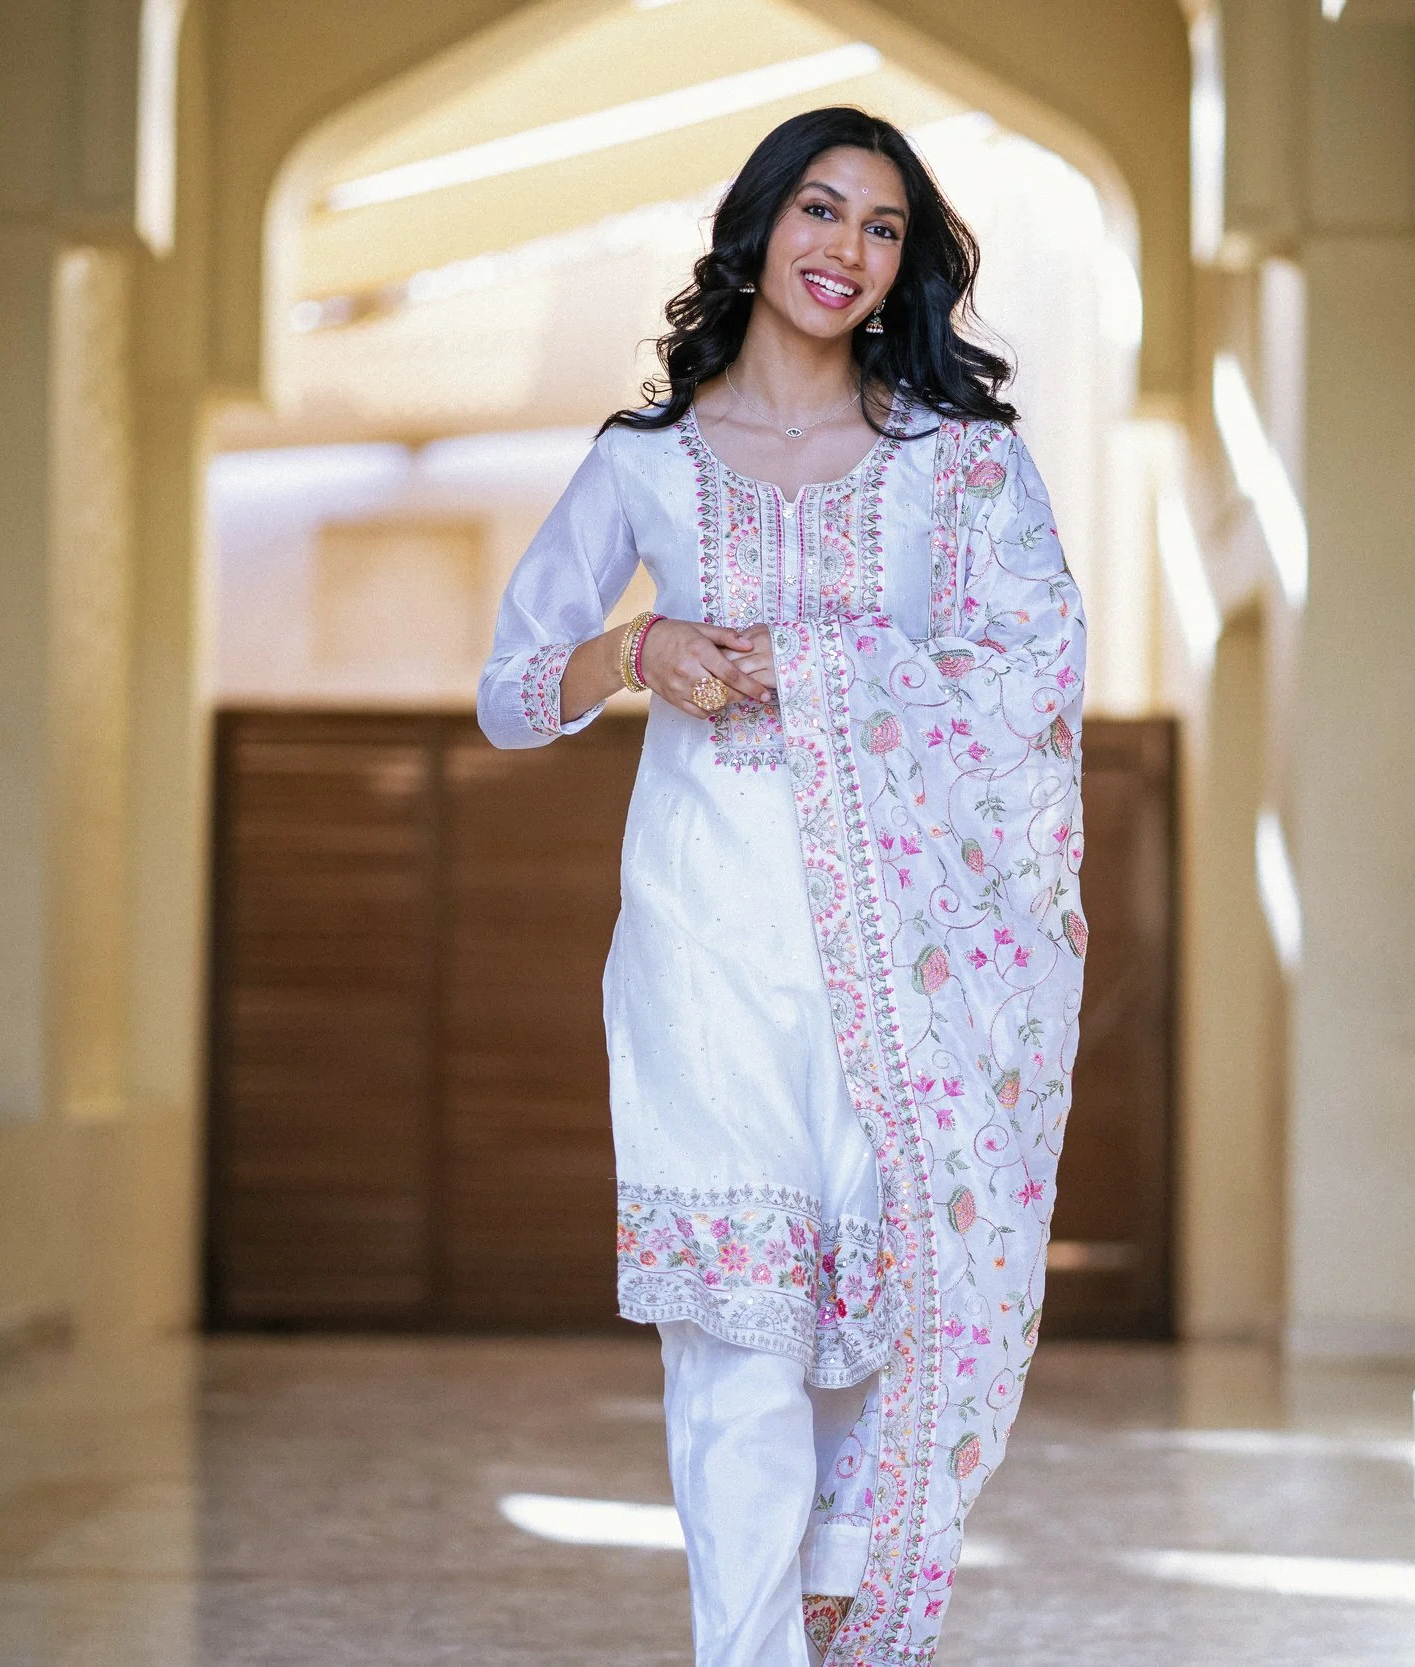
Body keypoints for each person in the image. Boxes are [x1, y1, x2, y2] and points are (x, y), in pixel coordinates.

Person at [477, 105, 1087, 1667]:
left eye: (883, 232)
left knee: (910, 1286)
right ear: (760, 228)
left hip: (909, 956)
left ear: (904, 273)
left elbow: (1030, 676)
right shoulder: (646, 465)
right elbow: (508, 689)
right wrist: (637, 653)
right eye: (821, 212)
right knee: (734, 1336)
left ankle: (851, 1567)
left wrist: (825, 675)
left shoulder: (955, 469)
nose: (847, 252)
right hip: (703, 934)